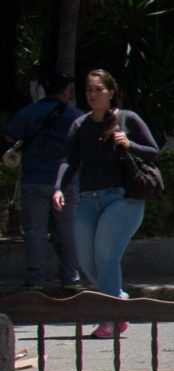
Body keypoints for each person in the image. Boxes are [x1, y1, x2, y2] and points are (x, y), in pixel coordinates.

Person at [54, 69, 159, 339]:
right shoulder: (80, 125)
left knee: (106, 257)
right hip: (88, 199)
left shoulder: (127, 118)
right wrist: (58, 189)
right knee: (86, 261)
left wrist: (129, 143)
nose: (93, 95)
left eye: (98, 89)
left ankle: (110, 318)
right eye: (89, 90)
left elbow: (153, 151)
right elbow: (68, 161)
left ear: (111, 92)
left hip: (122, 199)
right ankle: (117, 298)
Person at [4, 71, 83, 292]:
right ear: (66, 91)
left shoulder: (28, 112)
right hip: (66, 183)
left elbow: (10, 136)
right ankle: (70, 279)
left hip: (34, 180)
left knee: (35, 232)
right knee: (66, 231)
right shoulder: (75, 115)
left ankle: (35, 281)